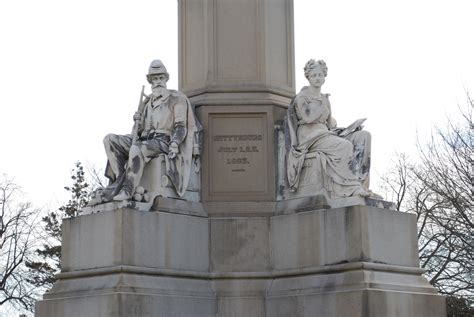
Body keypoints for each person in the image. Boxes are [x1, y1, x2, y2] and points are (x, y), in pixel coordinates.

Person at [101, 59, 201, 202]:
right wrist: (137, 121)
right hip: (145, 139)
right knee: (109, 140)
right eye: (155, 79)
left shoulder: (176, 99)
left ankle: (128, 189)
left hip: (163, 141)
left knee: (137, 149)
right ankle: (119, 180)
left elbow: (181, 126)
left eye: (161, 78)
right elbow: (138, 131)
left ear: (166, 79)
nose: (158, 81)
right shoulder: (147, 103)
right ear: (150, 81)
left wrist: (175, 143)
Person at [286, 59, 371, 198]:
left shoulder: (324, 98)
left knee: (363, 137)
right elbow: (307, 118)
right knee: (344, 146)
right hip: (309, 135)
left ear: (324, 76)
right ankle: (349, 188)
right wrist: (322, 104)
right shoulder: (302, 97)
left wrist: (350, 129)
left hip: (325, 133)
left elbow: (330, 123)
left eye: (320, 75)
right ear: (308, 77)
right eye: (314, 75)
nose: (317, 78)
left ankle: (361, 184)